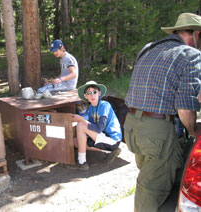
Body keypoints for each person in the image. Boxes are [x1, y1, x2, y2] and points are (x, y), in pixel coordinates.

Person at [124, 13, 201, 212]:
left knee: (150, 177)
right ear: (196, 34)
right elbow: (184, 108)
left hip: (132, 126)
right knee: (150, 189)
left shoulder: (148, 48)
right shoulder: (191, 55)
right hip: (157, 133)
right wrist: (194, 131)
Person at [66, 81, 122, 171]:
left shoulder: (104, 105)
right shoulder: (91, 108)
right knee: (76, 142)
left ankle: (82, 163)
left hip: (112, 140)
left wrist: (81, 119)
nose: (92, 95)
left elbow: (98, 129)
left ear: (99, 93)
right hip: (102, 138)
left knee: (81, 124)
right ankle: (109, 152)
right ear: (85, 96)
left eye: (94, 92)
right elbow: (90, 125)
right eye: (89, 93)